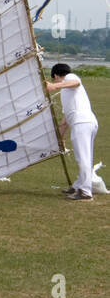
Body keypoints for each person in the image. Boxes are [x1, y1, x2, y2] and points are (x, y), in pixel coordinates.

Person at [46, 63, 99, 201]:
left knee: (83, 158)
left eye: (55, 80)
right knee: (84, 157)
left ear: (56, 76)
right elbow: (65, 120)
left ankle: (86, 192)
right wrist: (59, 137)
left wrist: (54, 86)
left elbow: (75, 82)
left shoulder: (70, 77)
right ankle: (79, 185)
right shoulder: (66, 92)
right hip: (84, 123)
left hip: (82, 123)